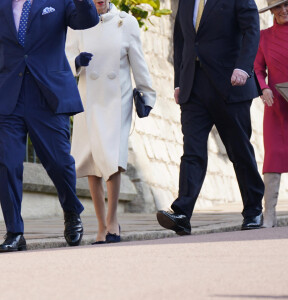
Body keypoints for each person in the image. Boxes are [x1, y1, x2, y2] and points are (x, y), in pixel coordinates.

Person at [156, 0, 265, 234]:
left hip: (230, 83)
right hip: (193, 87)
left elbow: (251, 30)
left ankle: (253, 209)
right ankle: (182, 212)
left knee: (239, 151)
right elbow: (181, 40)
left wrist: (244, 67)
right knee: (192, 151)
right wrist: (178, 81)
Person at [0, 0, 99, 252]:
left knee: (58, 161)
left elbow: (87, 20)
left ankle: (71, 209)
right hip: (9, 95)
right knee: (6, 163)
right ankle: (14, 231)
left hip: (48, 95)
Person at [66, 0, 156, 244]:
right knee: (92, 159)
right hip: (88, 98)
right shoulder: (76, 23)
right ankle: (100, 224)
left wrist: (147, 95)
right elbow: (66, 55)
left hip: (117, 97)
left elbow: (138, 61)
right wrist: (76, 62)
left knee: (112, 155)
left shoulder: (125, 22)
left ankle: (112, 219)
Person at [254, 0, 288, 228]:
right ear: (271, 11)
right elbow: (257, 68)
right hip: (277, 106)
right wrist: (264, 88)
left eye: (286, 5)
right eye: (277, 7)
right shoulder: (264, 36)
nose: (283, 11)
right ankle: (269, 214)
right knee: (273, 156)